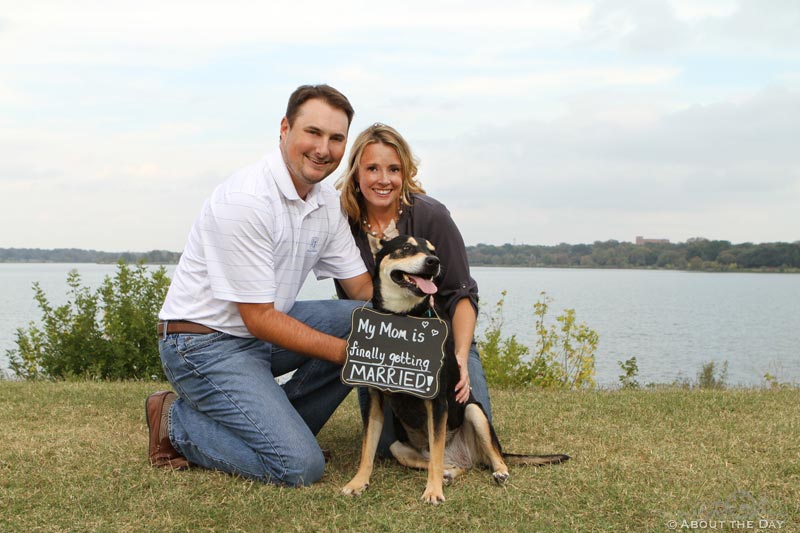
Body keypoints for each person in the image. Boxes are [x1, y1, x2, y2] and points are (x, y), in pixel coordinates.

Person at [146, 84, 373, 487]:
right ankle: (176, 421)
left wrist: (415, 318)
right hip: (202, 343)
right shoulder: (246, 200)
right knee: (300, 467)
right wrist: (352, 355)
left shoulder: (325, 202)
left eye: (336, 138)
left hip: (260, 332)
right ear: (284, 129)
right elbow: (259, 319)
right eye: (313, 133)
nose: (324, 148)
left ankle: (276, 430)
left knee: (363, 321)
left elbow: (362, 292)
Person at [334, 122, 492, 456]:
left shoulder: (431, 216)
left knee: (469, 436)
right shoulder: (342, 223)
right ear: (356, 172)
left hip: (443, 339)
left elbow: (461, 293)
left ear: (406, 172)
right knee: (387, 449)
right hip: (385, 344)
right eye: (372, 168)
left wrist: (460, 357)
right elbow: (354, 300)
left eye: (394, 169)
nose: (383, 179)